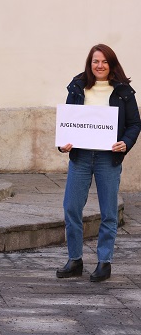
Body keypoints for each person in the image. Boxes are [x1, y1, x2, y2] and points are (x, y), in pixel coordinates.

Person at [57, 44, 140, 282]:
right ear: (89, 63)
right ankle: (75, 259)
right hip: (81, 157)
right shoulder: (77, 87)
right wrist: (64, 144)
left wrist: (125, 142)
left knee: (108, 212)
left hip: (108, 158)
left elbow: (135, 124)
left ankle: (104, 262)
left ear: (111, 65)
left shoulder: (123, 92)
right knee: (71, 207)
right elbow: (67, 121)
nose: (100, 66)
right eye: (95, 61)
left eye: (104, 61)